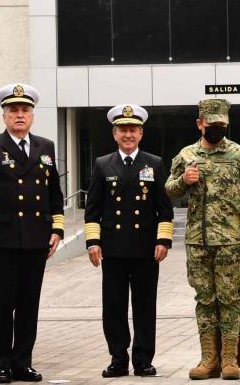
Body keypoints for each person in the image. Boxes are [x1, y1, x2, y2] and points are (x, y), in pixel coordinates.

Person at [165, 98, 240, 380]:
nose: (217, 130)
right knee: (205, 299)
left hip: (230, 240)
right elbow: (169, 190)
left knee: (229, 298)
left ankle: (229, 360)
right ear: (200, 123)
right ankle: (208, 359)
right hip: (198, 241)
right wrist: (183, 181)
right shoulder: (186, 155)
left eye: (222, 125)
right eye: (212, 125)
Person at [0, 83, 64, 384]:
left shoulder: (45, 146)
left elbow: (54, 194)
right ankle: (2, 365)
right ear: (5, 115)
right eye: (13, 111)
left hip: (36, 239)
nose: (19, 115)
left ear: (32, 114)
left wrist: (58, 229)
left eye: (25, 110)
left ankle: (23, 362)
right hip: (3, 240)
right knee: (5, 303)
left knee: (28, 303)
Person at [84, 104, 174, 378]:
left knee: (145, 307)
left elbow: (164, 208)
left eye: (133, 129)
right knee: (114, 308)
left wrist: (164, 240)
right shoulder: (102, 164)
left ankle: (144, 360)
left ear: (141, 133)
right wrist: (93, 243)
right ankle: (118, 359)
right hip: (113, 249)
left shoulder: (155, 163)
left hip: (146, 249)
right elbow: (93, 209)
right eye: (123, 129)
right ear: (114, 133)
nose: (128, 134)